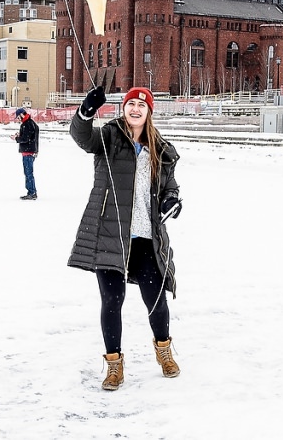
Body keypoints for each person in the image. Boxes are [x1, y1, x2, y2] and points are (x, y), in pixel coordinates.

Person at [68, 86, 182, 390]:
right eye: (131, 104)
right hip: (110, 234)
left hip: (146, 238)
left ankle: (164, 350)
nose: (135, 109)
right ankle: (114, 365)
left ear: (149, 112)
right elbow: (81, 136)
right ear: (124, 108)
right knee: (112, 302)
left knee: (155, 301)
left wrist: (171, 200)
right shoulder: (108, 138)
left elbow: (170, 186)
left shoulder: (160, 149)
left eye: (141, 106)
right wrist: (86, 110)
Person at [13, 107, 39, 200]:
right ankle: (32, 192)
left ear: (21, 115)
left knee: (28, 173)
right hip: (31, 151)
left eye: (18, 117)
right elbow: (30, 137)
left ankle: (31, 192)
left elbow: (25, 139)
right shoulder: (31, 123)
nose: (18, 120)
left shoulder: (27, 124)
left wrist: (16, 138)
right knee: (29, 173)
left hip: (28, 152)